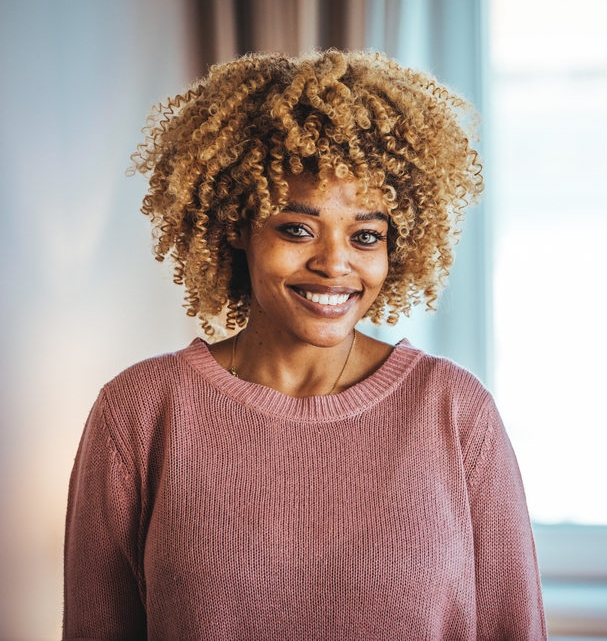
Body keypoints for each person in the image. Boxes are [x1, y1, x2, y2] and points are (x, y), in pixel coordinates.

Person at [63, 50, 546, 640]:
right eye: (296, 229)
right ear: (237, 226)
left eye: (366, 236)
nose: (334, 264)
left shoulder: (453, 411)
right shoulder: (140, 412)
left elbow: (512, 629)